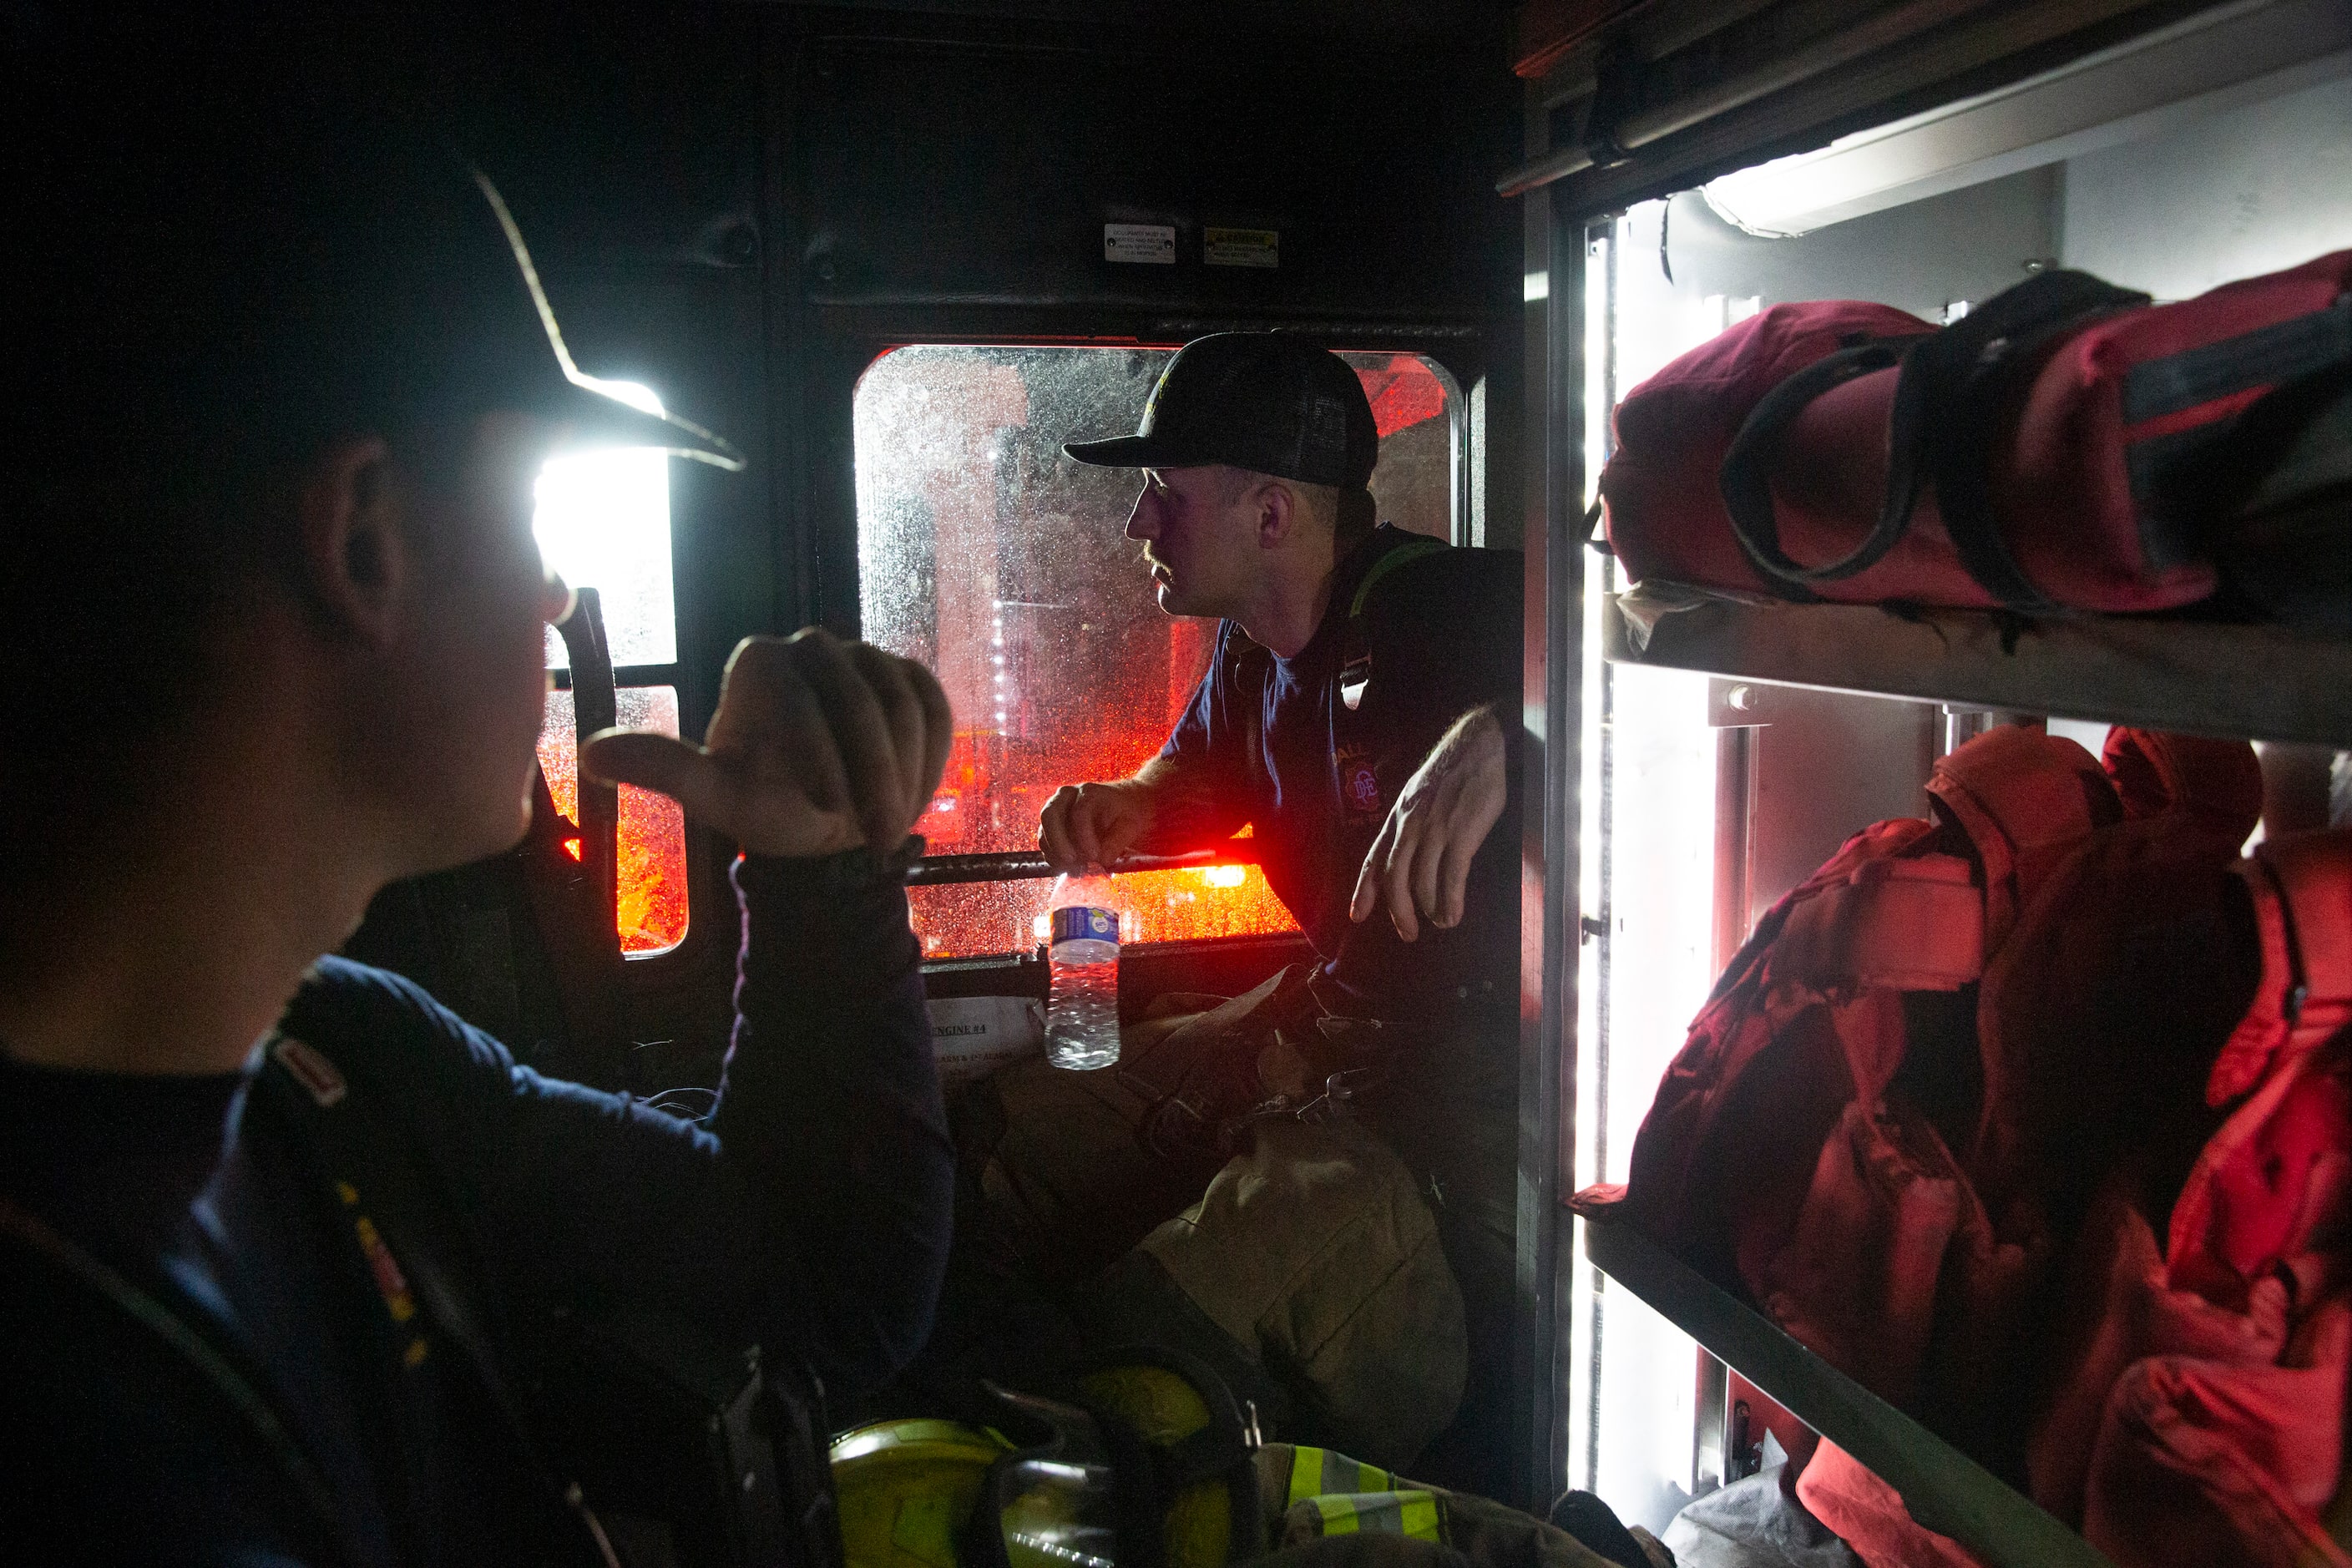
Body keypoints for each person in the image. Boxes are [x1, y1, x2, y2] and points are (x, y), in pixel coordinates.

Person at [0, 34, 954, 1565]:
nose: (558, 584)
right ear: (364, 538)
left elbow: (815, 1282)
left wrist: (819, 870)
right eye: (527, 508)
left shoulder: (345, 1067)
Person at [951, 335, 1524, 1490]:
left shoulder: (1448, 609)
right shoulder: (1251, 654)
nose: (1137, 526)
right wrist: (1125, 805)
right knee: (1008, 1142)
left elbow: (1633, 654)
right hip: (1324, 1023)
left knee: (1153, 1334)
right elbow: (1195, 776)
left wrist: (1513, 729)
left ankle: (1097, 1469)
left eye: (1164, 495)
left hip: (1466, 1104)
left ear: (1271, 517)